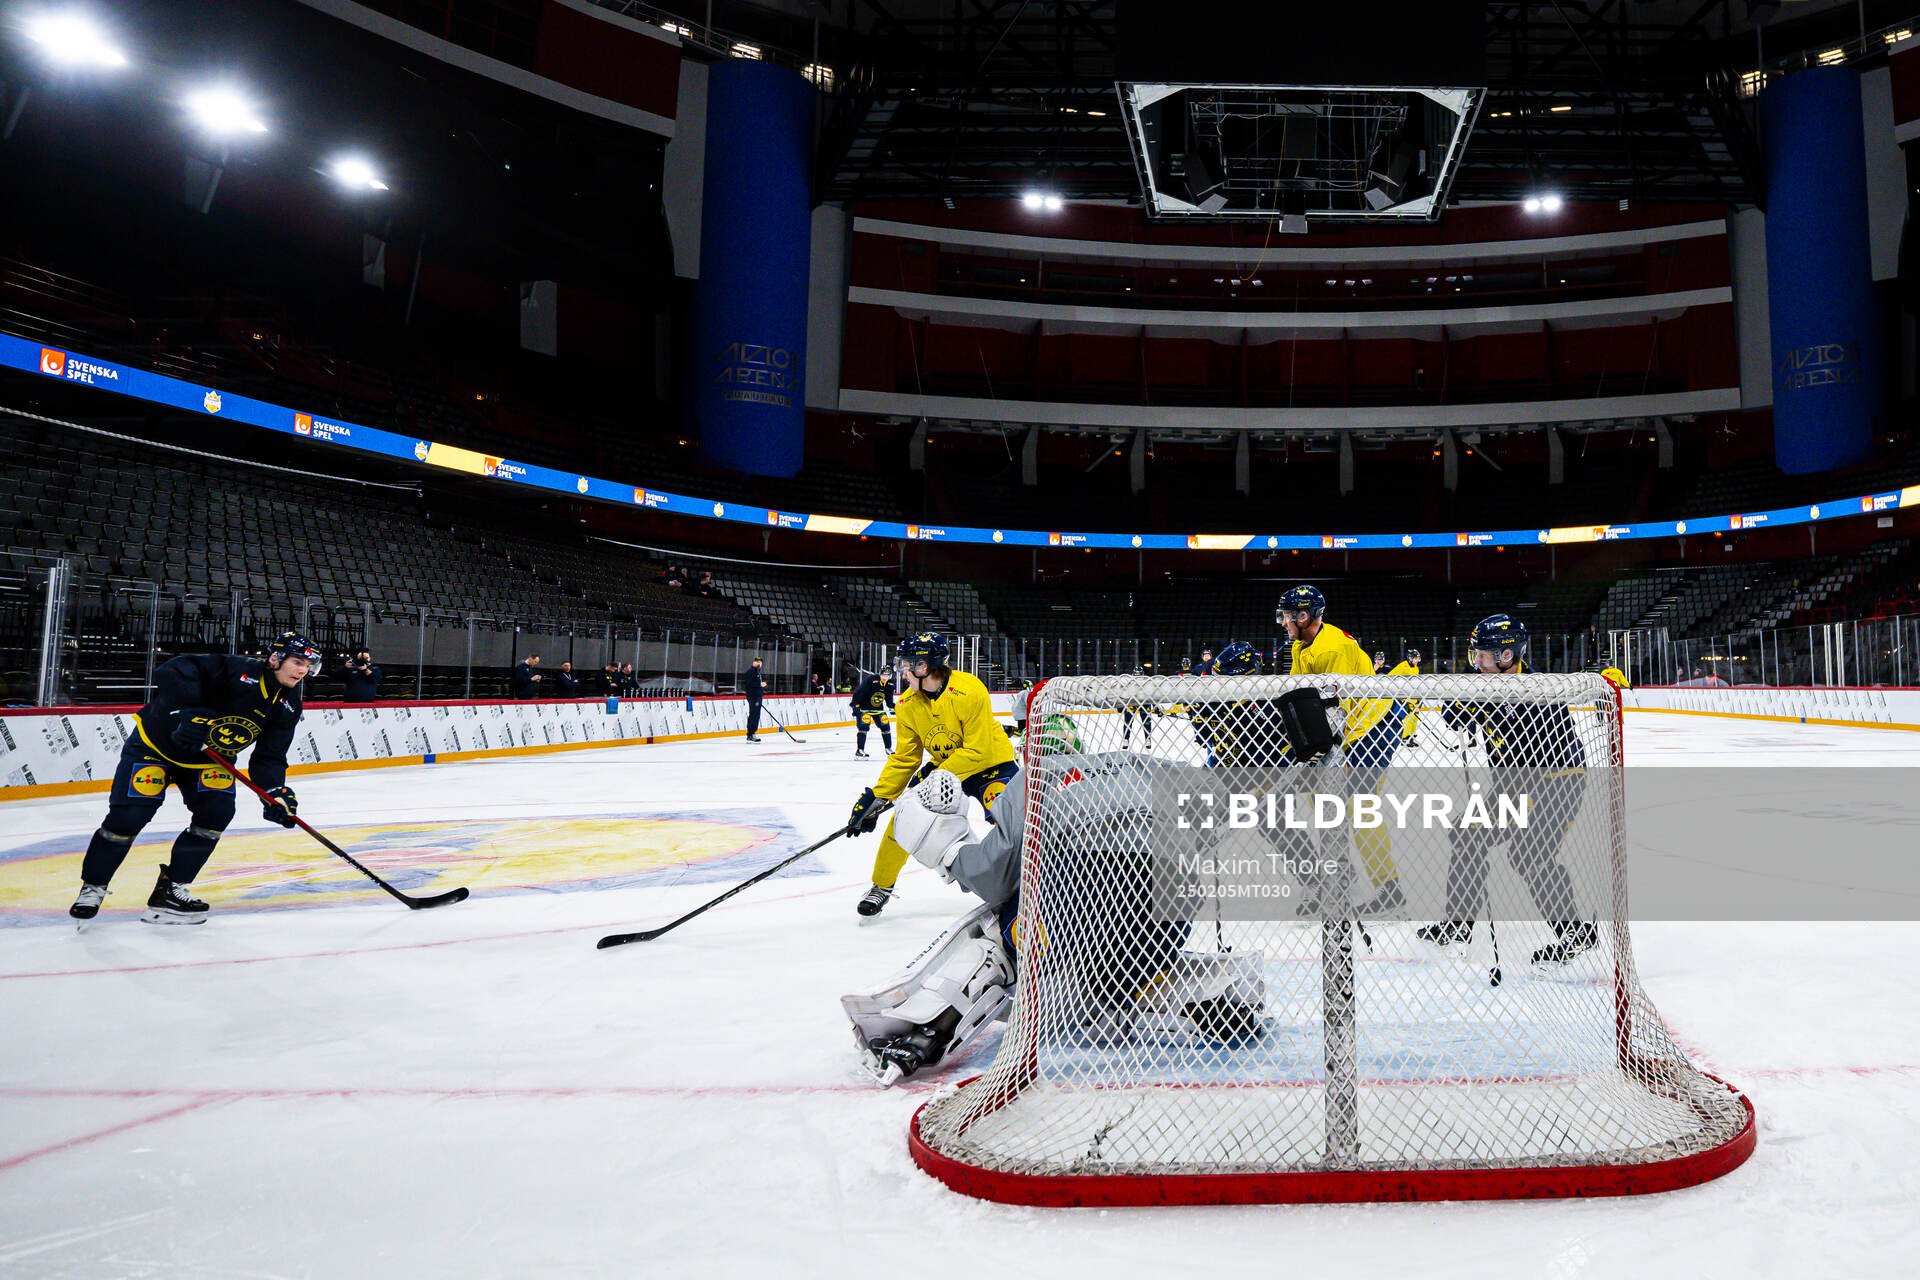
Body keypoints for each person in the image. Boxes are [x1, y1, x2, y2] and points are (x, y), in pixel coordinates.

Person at [840, 685, 1265, 1082]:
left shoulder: (1028, 785)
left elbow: (993, 877)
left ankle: (927, 1028)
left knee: (997, 930)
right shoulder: (1140, 763)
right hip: (1163, 924)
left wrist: (947, 851)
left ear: (1032, 743)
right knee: (1134, 952)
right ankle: (1203, 986)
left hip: (1074, 921)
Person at [68, 631, 314, 925]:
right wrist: (188, 712)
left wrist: (274, 792)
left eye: (308, 665)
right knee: (129, 815)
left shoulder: (288, 705)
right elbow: (170, 670)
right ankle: (94, 885)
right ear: (275, 658)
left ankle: (172, 890)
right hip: (154, 746)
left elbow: (269, 757)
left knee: (217, 813)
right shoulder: (236, 670)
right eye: (297, 661)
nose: (302, 670)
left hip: (208, 759)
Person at [1416, 615, 1599, 967]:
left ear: (1506, 655)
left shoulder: (1534, 689)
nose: (1477, 662)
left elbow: (1519, 741)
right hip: (1516, 783)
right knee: (1467, 834)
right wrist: (1463, 699)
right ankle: (1458, 924)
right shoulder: (1486, 682)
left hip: (1558, 780)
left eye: (1483, 656)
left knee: (1529, 853)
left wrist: (1477, 703)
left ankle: (1575, 931)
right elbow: (1455, 719)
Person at [845, 633, 1015, 918]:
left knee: (1011, 820)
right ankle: (881, 886)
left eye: (907, 665)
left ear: (925, 666)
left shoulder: (969, 690)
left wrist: (933, 775)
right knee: (905, 817)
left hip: (990, 766)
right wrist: (880, 795)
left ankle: (1034, 882)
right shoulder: (908, 703)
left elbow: (978, 750)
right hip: (945, 771)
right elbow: (905, 757)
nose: (902, 672)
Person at [1277, 585, 1404, 914]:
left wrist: (1316, 749)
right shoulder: (1301, 645)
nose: (1283, 622)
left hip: (1373, 726)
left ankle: (1388, 887)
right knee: (1321, 799)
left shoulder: (1333, 647)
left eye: (1288, 616)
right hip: (1349, 727)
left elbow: (1338, 710)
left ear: (1304, 617)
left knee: (1361, 808)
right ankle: (1341, 871)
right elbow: (1298, 693)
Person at [849, 666, 894, 759]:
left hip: (878, 708)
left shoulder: (890, 685)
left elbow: (889, 700)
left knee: (885, 724)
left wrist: (894, 707)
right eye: (883, 675)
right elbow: (859, 692)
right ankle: (860, 750)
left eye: (887, 675)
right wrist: (855, 705)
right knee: (864, 725)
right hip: (864, 708)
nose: (885, 677)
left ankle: (888, 748)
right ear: (880, 674)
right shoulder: (871, 680)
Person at [1390, 647, 1424, 746]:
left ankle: (1411, 736)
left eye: (1418, 658)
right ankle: (1404, 738)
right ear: (1410, 658)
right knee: (1408, 718)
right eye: (1415, 658)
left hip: (1413, 698)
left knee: (1414, 718)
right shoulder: (1403, 666)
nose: (1417, 660)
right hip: (1405, 697)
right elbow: (1391, 677)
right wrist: (1399, 696)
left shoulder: (1416, 668)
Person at [1121, 666, 1154, 749]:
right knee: (1127, 722)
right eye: (1136, 675)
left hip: (1144, 703)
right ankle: (1125, 739)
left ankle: (1148, 739)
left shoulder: (1147, 681)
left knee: (1147, 722)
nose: (1138, 677)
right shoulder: (1129, 682)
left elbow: (1152, 694)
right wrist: (1121, 705)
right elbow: (1124, 693)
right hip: (1132, 703)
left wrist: (1154, 706)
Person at [743, 656, 766, 742]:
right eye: (757, 661)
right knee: (754, 714)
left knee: (756, 714)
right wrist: (760, 684)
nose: (759, 663)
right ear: (753, 662)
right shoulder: (751, 672)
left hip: (757, 697)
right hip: (753, 697)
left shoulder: (757, 672)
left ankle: (752, 733)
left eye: (760, 661)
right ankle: (751, 733)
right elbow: (748, 684)